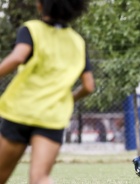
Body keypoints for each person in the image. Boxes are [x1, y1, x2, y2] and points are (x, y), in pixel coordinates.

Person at [0, 0, 93, 183]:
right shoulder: (77, 42)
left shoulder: (31, 30)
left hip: (20, 111)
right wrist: (68, 98)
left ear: (41, 5)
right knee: (40, 178)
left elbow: (18, 57)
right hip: (52, 117)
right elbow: (89, 86)